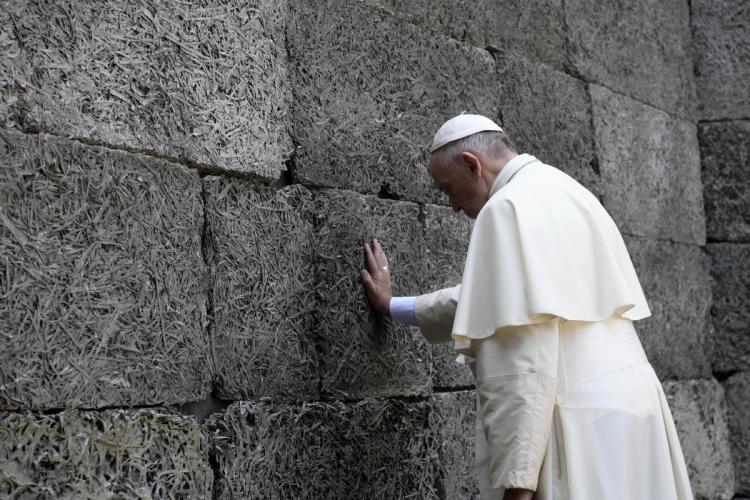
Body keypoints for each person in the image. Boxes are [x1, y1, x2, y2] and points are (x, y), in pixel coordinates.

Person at [360, 114, 693, 500]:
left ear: (472, 164)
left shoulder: (504, 209)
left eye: (448, 189)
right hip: (637, 407)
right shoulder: (569, 190)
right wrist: (391, 305)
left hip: (577, 420)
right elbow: (496, 301)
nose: (451, 206)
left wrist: (519, 481)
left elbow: (523, 359)